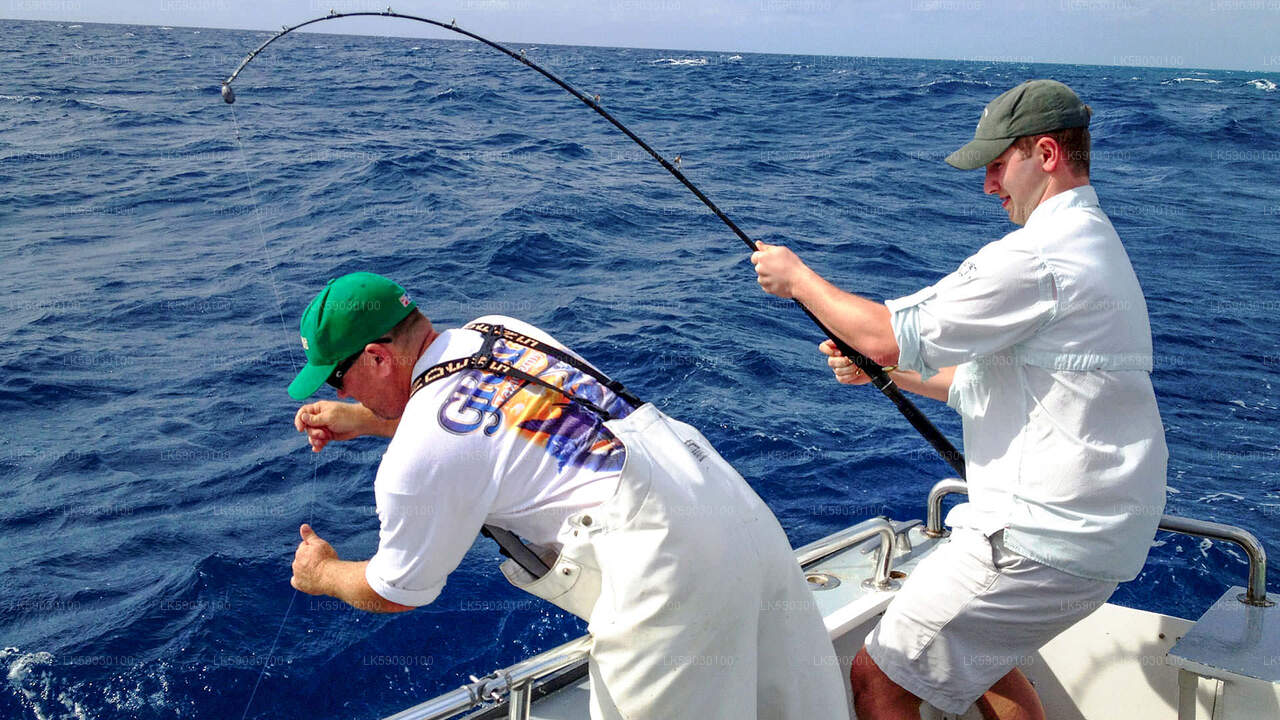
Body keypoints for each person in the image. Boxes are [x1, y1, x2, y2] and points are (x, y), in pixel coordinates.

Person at [751, 79, 1167, 719]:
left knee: (879, 675)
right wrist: (885, 373)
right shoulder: (1098, 243)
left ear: (1047, 154)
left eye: (999, 165)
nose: (989, 185)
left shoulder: (1039, 257)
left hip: (1036, 538)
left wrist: (798, 279)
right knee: (980, 661)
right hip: (1096, 536)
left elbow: (887, 334)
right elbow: (980, 380)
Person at [284, 271, 850, 719]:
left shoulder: (413, 463)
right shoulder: (495, 330)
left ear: (379, 358)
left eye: (337, 378)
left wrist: (323, 571)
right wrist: (364, 417)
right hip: (733, 512)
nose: (337, 389)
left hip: (670, 577)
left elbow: (397, 590)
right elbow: (499, 428)